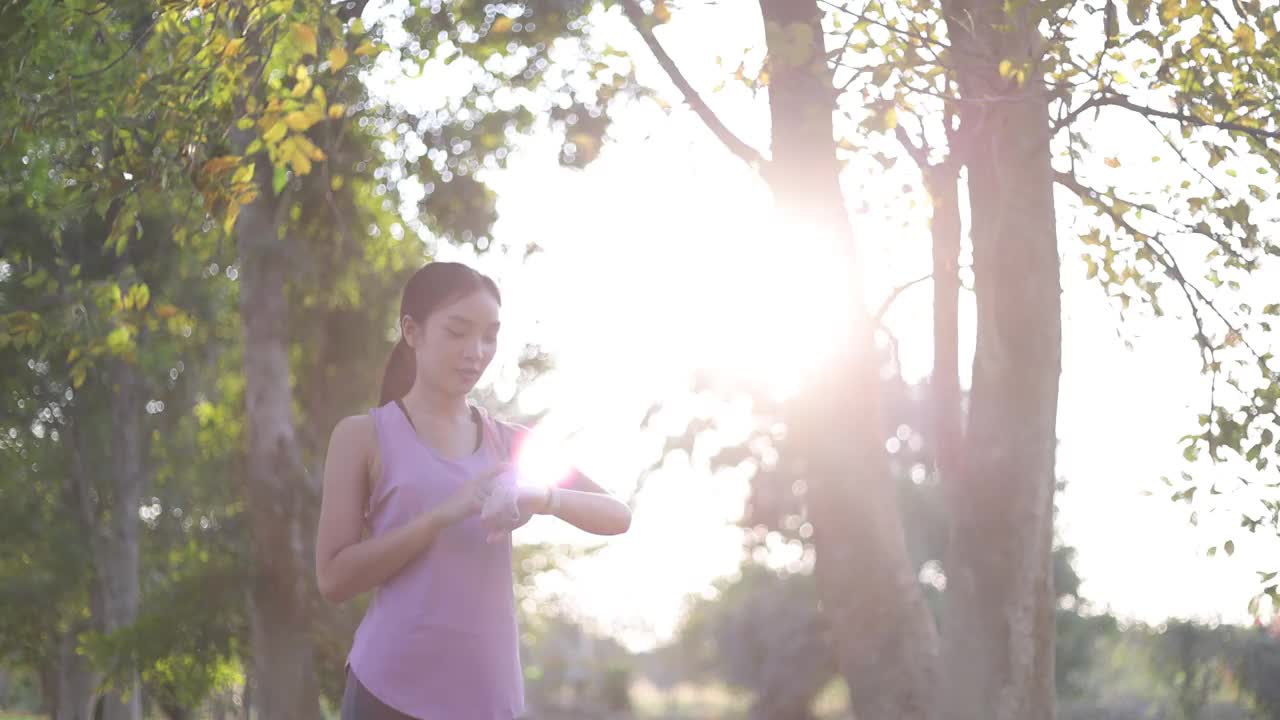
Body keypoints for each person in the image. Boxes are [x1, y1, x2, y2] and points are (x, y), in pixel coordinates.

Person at [314, 261, 633, 720]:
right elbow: (333, 578)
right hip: (387, 691)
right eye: (458, 332)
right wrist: (440, 517)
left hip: (486, 697)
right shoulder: (362, 436)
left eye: (490, 336)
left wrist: (543, 497)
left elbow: (617, 514)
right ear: (412, 331)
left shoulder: (510, 441)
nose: (476, 351)